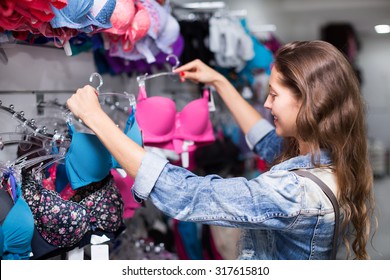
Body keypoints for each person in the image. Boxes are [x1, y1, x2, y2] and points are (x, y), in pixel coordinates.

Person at [66, 40, 375, 260]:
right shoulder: (329, 159)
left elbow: (189, 196)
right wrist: (219, 82)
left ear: (309, 103)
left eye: (274, 95)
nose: (266, 104)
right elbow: (267, 141)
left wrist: (96, 118)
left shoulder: (295, 192)